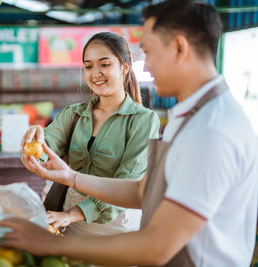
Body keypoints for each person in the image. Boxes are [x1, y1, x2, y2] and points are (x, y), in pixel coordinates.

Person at [0, 1, 258, 266]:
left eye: (149, 52)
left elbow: (156, 247)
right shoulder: (190, 116)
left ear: (179, 47)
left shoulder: (211, 131)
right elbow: (143, 192)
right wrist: (71, 177)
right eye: (88, 66)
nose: (147, 67)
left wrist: (50, 242)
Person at [21, 31, 160, 236]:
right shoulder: (74, 114)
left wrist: (73, 214)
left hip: (115, 224)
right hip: (68, 222)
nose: (95, 73)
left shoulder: (143, 120)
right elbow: (44, 148)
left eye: (104, 64)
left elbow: (127, 184)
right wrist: (34, 140)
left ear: (124, 67)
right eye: (88, 66)